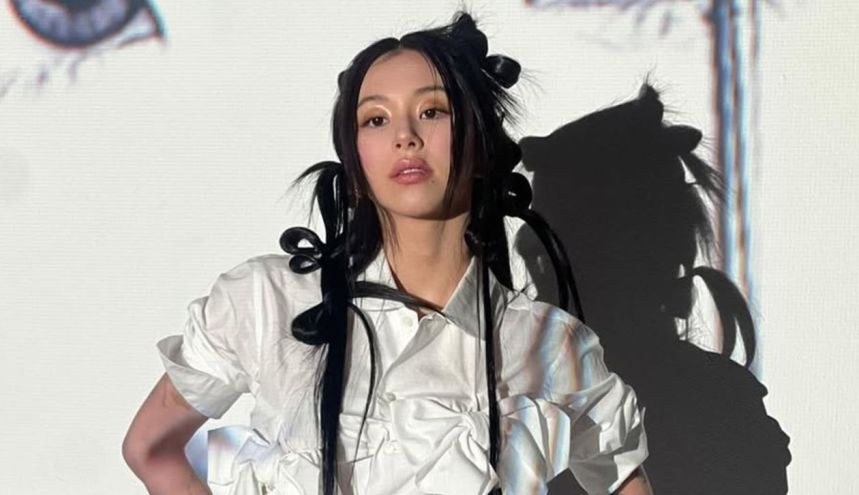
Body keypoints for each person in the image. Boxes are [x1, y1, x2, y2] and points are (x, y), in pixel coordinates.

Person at [122, 12, 652, 495]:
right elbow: (150, 449)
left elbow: (623, 480)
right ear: (355, 161)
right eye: (376, 119)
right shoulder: (267, 302)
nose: (405, 136)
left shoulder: (547, 344)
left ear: (481, 147)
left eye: (432, 111)